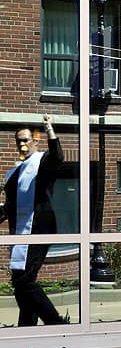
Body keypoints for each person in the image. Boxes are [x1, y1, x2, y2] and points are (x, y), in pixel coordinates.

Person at [0, 114, 68, 326]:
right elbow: (9, 207)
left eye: (25, 139)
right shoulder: (13, 172)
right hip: (19, 232)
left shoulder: (42, 162)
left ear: (35, 141)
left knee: (25, 281)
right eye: (18, 140)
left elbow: (57, 157)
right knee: (20, 282)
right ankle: (27, 326)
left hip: (38, 228)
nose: (22, 143)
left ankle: (55, 323)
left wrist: (49, 128)